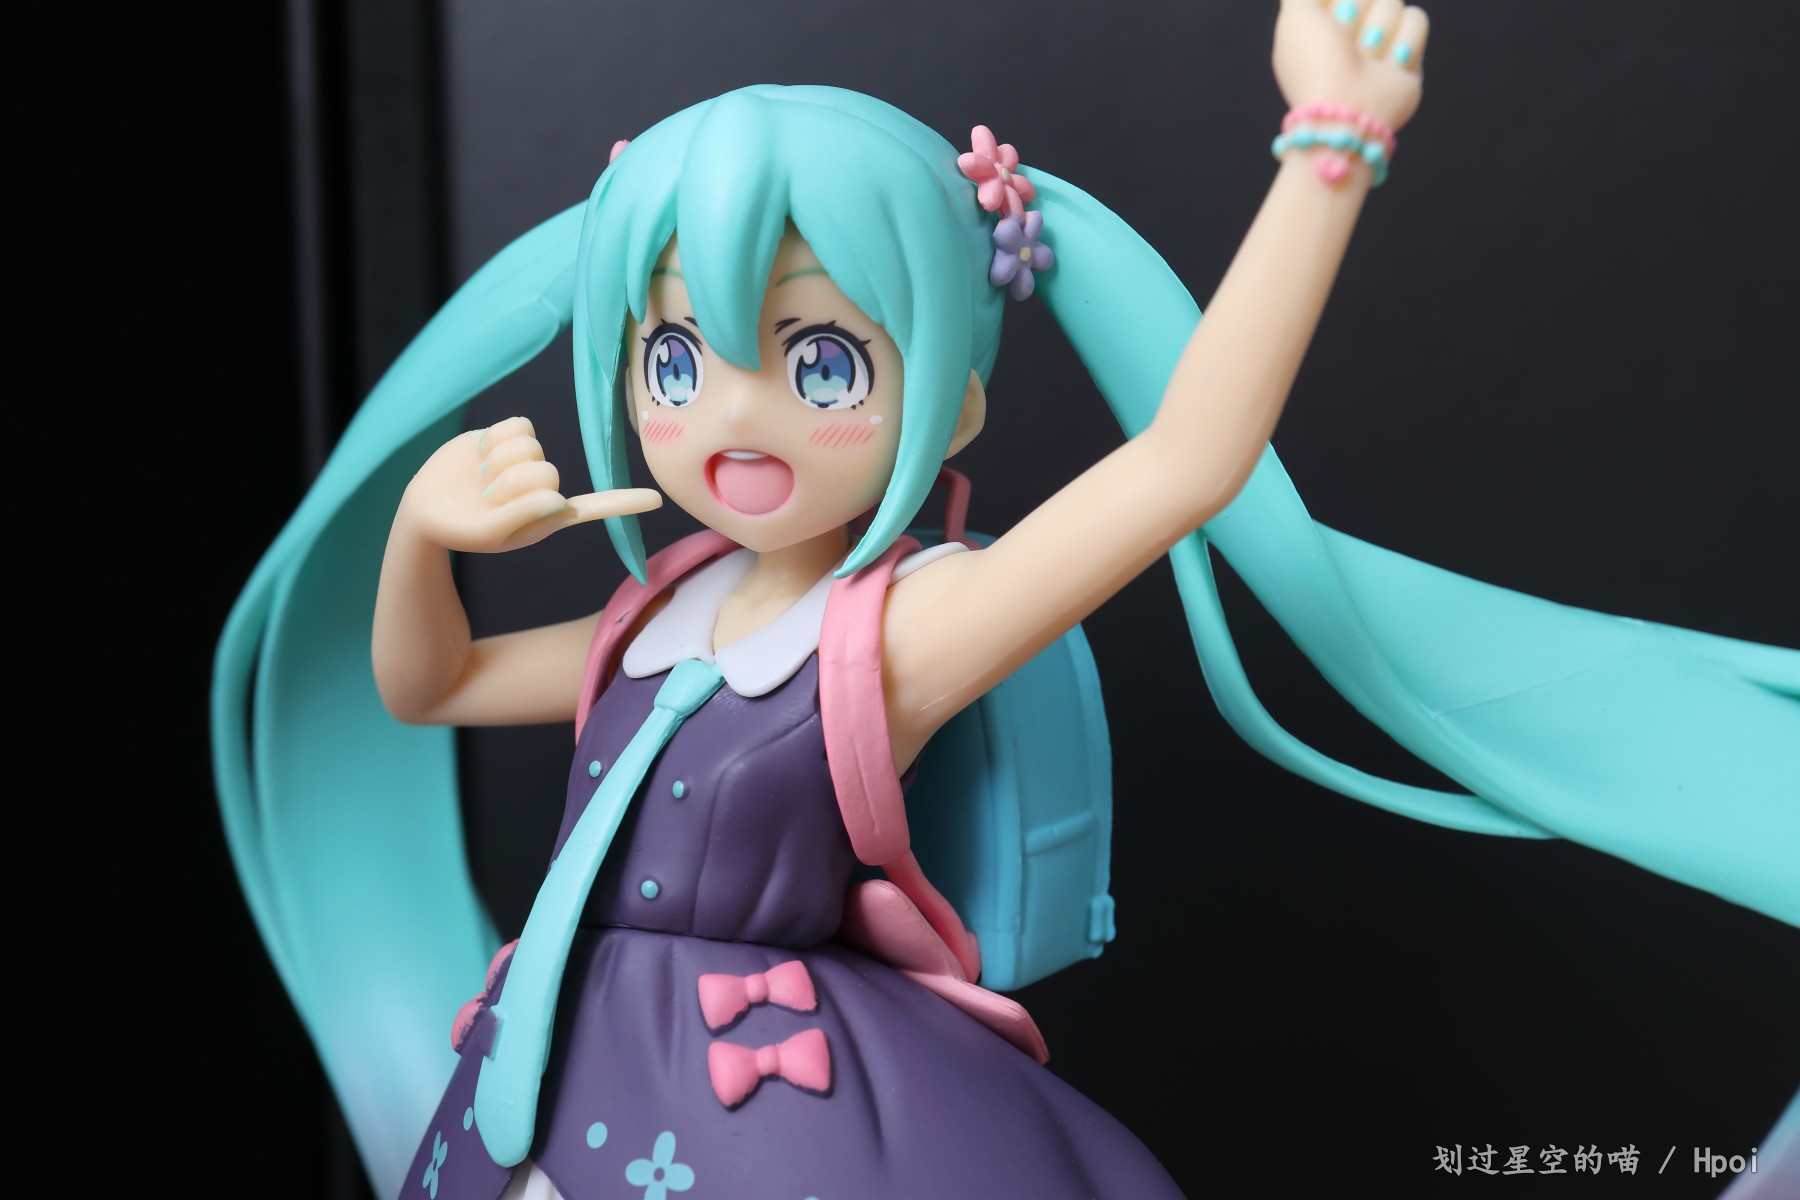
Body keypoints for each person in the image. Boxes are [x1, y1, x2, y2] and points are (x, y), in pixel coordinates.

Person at [211, 2, 1797, 1197]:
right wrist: (417, 539)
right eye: (677, 360)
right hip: (545, 1074)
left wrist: (1332, 147)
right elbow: (427, 688)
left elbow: (1186, 459)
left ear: (949, 402)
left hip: (762, 1098)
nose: (733, 420)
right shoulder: (653, 617)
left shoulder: (893, 633)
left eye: (819, 361)